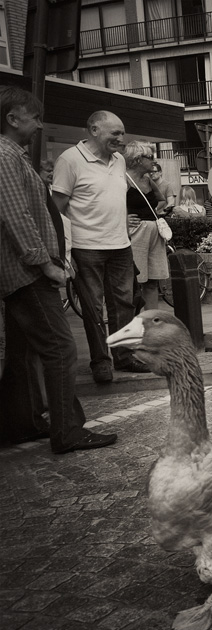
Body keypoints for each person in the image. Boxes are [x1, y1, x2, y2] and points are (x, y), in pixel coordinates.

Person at [0, 86, 116, 453]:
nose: (39, 124)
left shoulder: (12, 156)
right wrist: (44, 264)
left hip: (22, 272)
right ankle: (66, 431)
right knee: (61, 349)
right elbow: (15, 216)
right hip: (28, 273)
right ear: (12, 118)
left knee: (23, 352)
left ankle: (22, 423)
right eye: (33, 117)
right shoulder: (5, 157)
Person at [52, 110, 147, 382]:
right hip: (87, 247)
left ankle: (124, 357)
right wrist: (64, 252)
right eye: (114, 133)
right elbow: (56, 209)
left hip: (120, 246)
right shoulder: (69, 160)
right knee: (93, 309)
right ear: (94, 130)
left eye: (122, 132)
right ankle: (101, 362)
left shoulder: (118, 161)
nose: (121, 138)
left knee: (125, 305)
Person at [124, 141, 170, 311]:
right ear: (136, 159)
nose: (154, 160)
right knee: (135, 280)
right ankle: (134, 322)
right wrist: (124, 219)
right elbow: (110, 204)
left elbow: (162, 199)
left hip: (153, 230)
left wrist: (155, 214)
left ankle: (152, 321)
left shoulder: (147, 179)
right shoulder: (124, 178)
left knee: (152, 280)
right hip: (136, 232)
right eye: (150, 157)